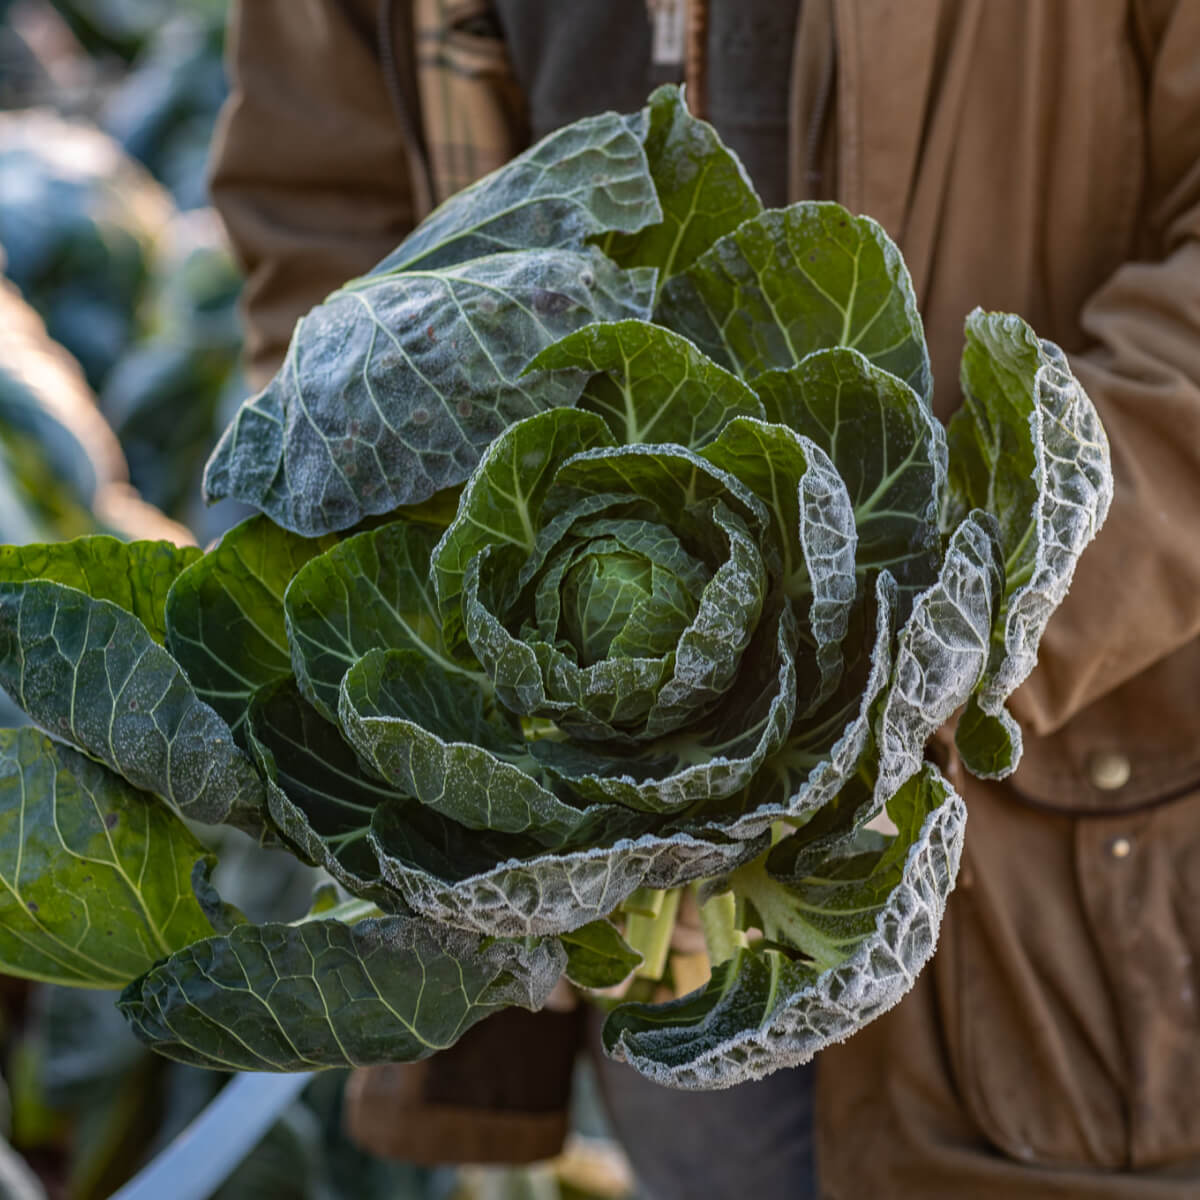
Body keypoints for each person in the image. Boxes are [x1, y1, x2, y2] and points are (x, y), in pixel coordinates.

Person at [208, 2, 1200, 1196]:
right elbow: (327, 224)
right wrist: (500, 744)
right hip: (659, 933)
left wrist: (938, 649)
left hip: (1070, 888)